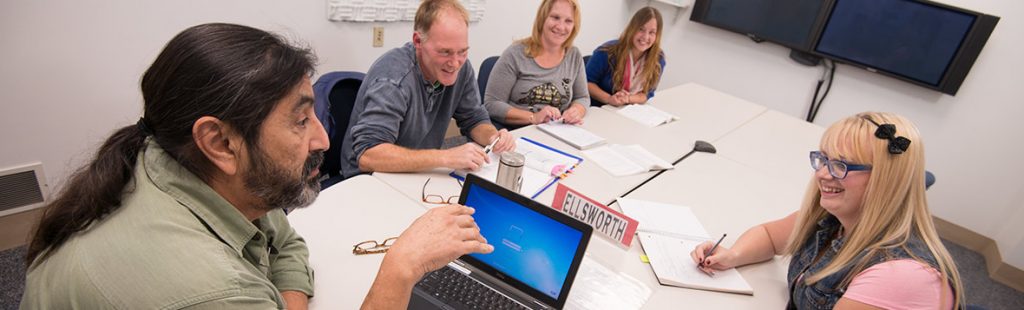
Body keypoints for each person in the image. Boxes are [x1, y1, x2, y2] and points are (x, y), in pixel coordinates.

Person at [21, 23, 493, 309]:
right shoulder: (212, 291)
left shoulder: (185, 161)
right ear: (219, 141)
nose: (324, 139)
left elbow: (284, 241)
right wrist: (399, 269)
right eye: (301, 119)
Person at [690, 112, 963, 309]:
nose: (822, 173)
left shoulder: (899, 275)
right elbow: (771, 236)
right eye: (823, 159)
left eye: (841, 165)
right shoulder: (834, 219)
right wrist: (733, 255)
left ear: (885, 179)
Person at [340, 0, 515, 179]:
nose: (455, 63)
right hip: (369, 179)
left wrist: (493, 137)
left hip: (419, 171)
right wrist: (446, 157)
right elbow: (368, 155)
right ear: (418, 41)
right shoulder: (394, 80)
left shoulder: (461, 69)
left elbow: (474, 118)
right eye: (445, 52)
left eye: (462, 51)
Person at [483, 0, 590, 130]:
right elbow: (492, 103)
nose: (561, 27)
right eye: (555, 17)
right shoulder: (515, 54)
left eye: (568, 21)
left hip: (556, 130)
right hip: (515, 132)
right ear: (542, 18)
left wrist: (576, 111)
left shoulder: (574, 55)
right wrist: (533, 117)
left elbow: (582, 97)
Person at [586, 6, 665, 107]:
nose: (645, 37)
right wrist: (609, 99)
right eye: (641, 29)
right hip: (598, 108)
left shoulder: (658, 60)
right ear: (632, 28)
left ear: (657, 35)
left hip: (627, 110)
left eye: (651, 32)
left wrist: (627, 99)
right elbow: (586, 83)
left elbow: (647, 94)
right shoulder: (607, 52)